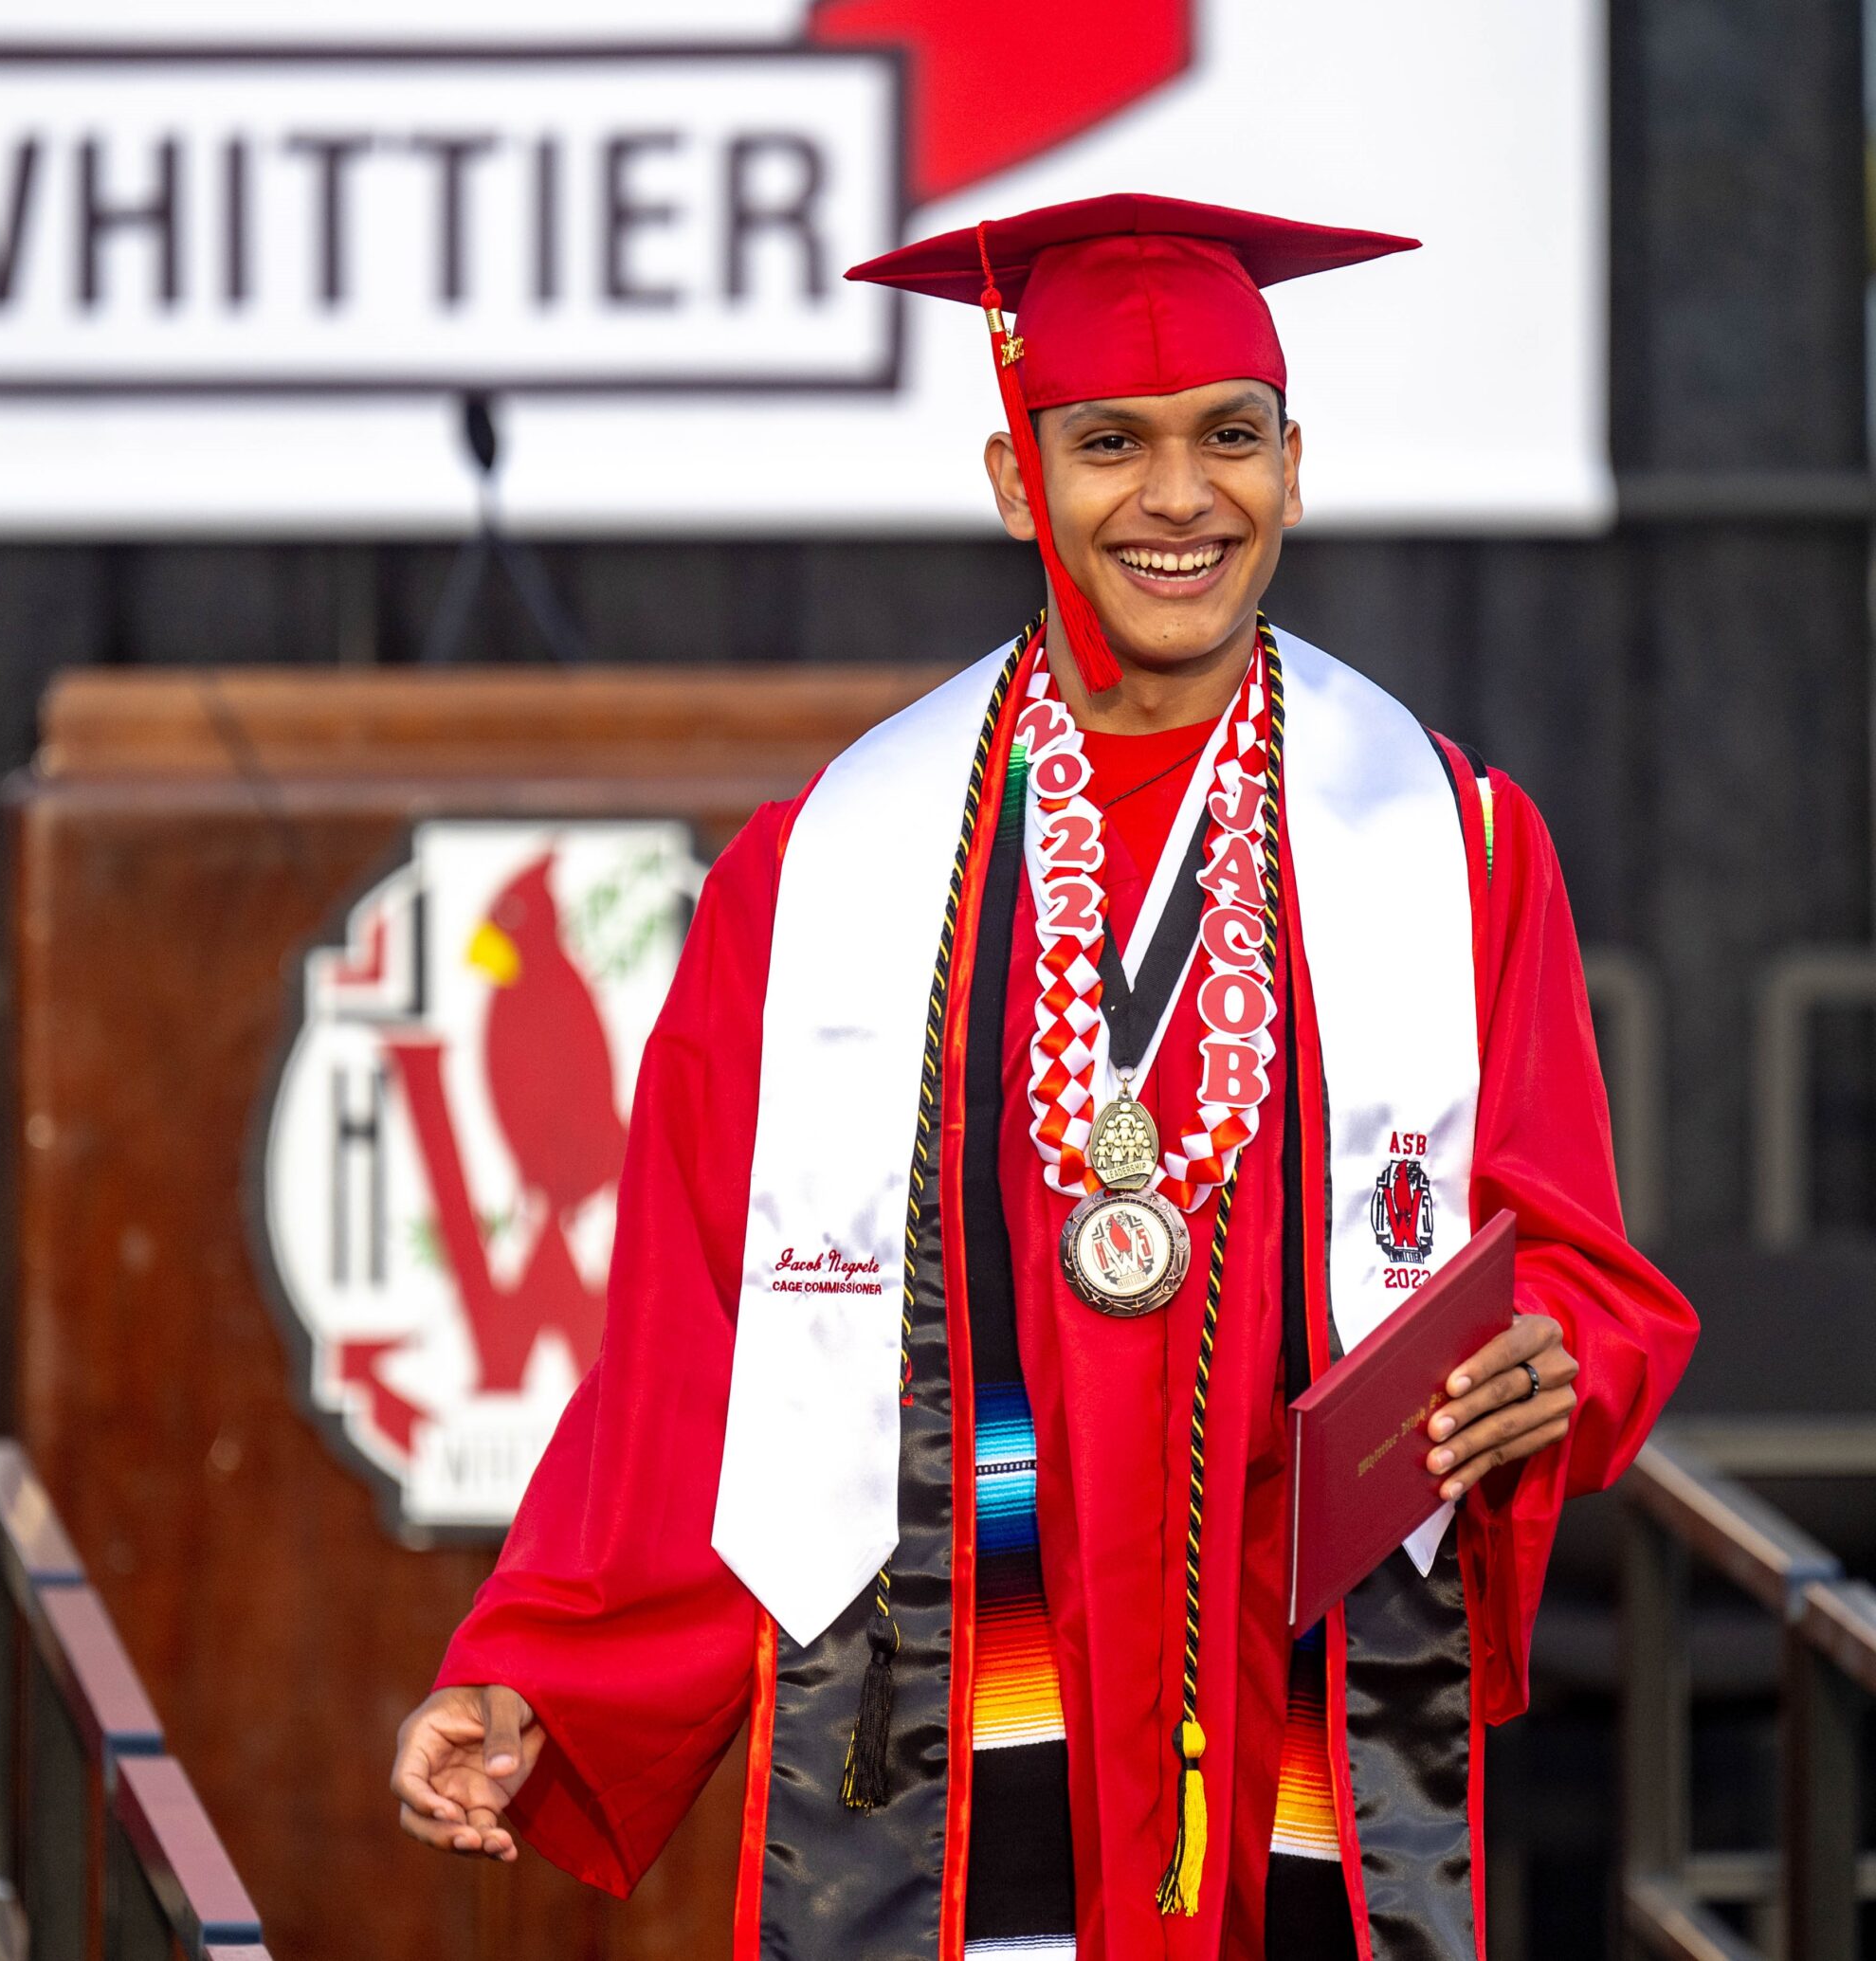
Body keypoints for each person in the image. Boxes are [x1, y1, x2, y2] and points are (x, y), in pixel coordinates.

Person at [390, 194, 1698, 1959]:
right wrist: (536, 1665)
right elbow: (701, 1337)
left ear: (1294, 468)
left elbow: (1576, 1269)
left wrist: (1561, 1357)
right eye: (1111, 447)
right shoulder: (827, 870)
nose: (1180, 499)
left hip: (1297, 1679)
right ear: (1021, 482)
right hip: (960, 1670)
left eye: (1230, 438)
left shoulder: (1450, 844)